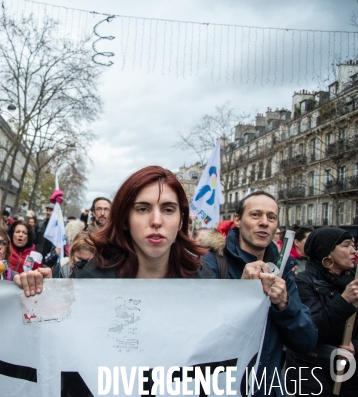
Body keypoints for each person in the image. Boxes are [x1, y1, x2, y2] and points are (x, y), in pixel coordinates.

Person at [16, 166, 215, 295]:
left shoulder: (205, 281)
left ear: (181, 220)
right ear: (125, 220)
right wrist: (51, 299)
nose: (156, 221)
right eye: (143, 209)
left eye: (168, 209)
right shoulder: (90, 278)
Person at [201, 191, 317, 397]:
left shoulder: (283, 271)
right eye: (255, 215)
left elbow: (306, 341)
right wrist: (242, 293)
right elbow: (201, 338)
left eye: (271, 217)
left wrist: (285, 304)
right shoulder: (211, 265)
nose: (264, 222)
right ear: (237, 219)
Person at [285, 227, 358, 396]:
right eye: (346, 245)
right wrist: (344, 300)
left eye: (353, 245)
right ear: (327, 253)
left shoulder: (354, 281)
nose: (353, 250)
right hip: (312, 370)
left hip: (349, 372)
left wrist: (354, 347)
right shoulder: (303, 282)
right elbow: (311, 329)